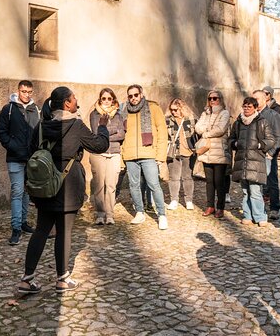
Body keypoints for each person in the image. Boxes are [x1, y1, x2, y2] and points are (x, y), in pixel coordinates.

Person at [18, 87, 109, 294]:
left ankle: (27, 279)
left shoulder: (41, 126)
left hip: (44, 184)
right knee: (64, 231)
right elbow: (99, 145)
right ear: (67, 103)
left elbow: (31, 153)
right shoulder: (75, 125)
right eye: (74, 97)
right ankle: (62, 279)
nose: (76, 100)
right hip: (68, 184)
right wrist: (102, 127)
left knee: (41, 229)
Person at [0, 80, 41, 245]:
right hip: (15, 157)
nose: (26, 94)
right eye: (23, 91)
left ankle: (23, 223)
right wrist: (13, 145)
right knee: (17, 191)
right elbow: (0, 132)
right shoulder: (8, 109)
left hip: (31, 159)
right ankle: (15, 228)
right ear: (18, 91)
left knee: (26, 192)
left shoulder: (35, 109)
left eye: (29, 91)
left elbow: (38, 131)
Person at [121, 84, 169, 230]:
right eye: (130, 96)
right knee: (133, 185)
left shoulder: (153, 108)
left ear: (141, 94)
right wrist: (123, 155)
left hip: (148, 153)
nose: (133, 98)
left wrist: (160, 155)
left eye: (136, 95)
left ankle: (161, 214)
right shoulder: (124, 110)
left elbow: (162, 131)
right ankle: (139, 212)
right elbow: (122, 134)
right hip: (130, 155)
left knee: (154, 184)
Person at [229, 97, 278, 226]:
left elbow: (271, 140)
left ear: (255, 108)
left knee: (255, 191)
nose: (246, 109)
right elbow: (231, 139)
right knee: (245, 192)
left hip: (256, 162)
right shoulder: (238, 122)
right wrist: (235, 143)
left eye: (249, 106)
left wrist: (260, 145)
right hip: (242, 161)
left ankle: (260, 216)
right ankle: (248, 215)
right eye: (244, 106)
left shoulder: (262, 122)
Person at [88, 88, 125, 225]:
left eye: (109, 98)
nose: (107, 101)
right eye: (104, 98)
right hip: (98, 154)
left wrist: (105, 133)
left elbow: (122, 135)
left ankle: (110, 214)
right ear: (100, 99)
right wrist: (113, 131)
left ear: (113, 100)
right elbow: (96, 133)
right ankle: (100, 214)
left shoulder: (118, 116)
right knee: (98, 186)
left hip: (114, 153)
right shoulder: (94, 114)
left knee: (111, 185)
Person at [195, 90, 231, 219]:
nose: (212, 101)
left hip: (219, 151)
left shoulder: (225, 113)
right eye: (210, 98)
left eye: (215, 98)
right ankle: (210, 205)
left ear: (220, 99)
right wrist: (207, 129)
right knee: (209, 181)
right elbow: (198, 127)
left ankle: (220, 207)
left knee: (219, 181)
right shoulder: (206, 113)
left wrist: (206, 133)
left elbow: (220, 130)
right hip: (206, 151)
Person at [252, 90, 280, 220]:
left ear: (265, 99)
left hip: (268, 154)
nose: (254, 101)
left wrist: (271, 153)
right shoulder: (251, 115)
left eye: (257, 99)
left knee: (271, 181)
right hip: (254, 154)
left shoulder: (273, 115)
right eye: (253, 98)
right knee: (255, 183)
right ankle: (258, 210)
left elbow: (279, 136)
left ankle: (274, 208)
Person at [165, 98, 196, 211]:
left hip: (188, 151)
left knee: (187, 177)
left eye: (176, 110)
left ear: (182, 109)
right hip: (173, 152)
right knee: (174, 178)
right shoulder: (168, 120)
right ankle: (174, 200)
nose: (173, 112)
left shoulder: (191, 119)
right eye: (172, 110)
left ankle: (189, 200)